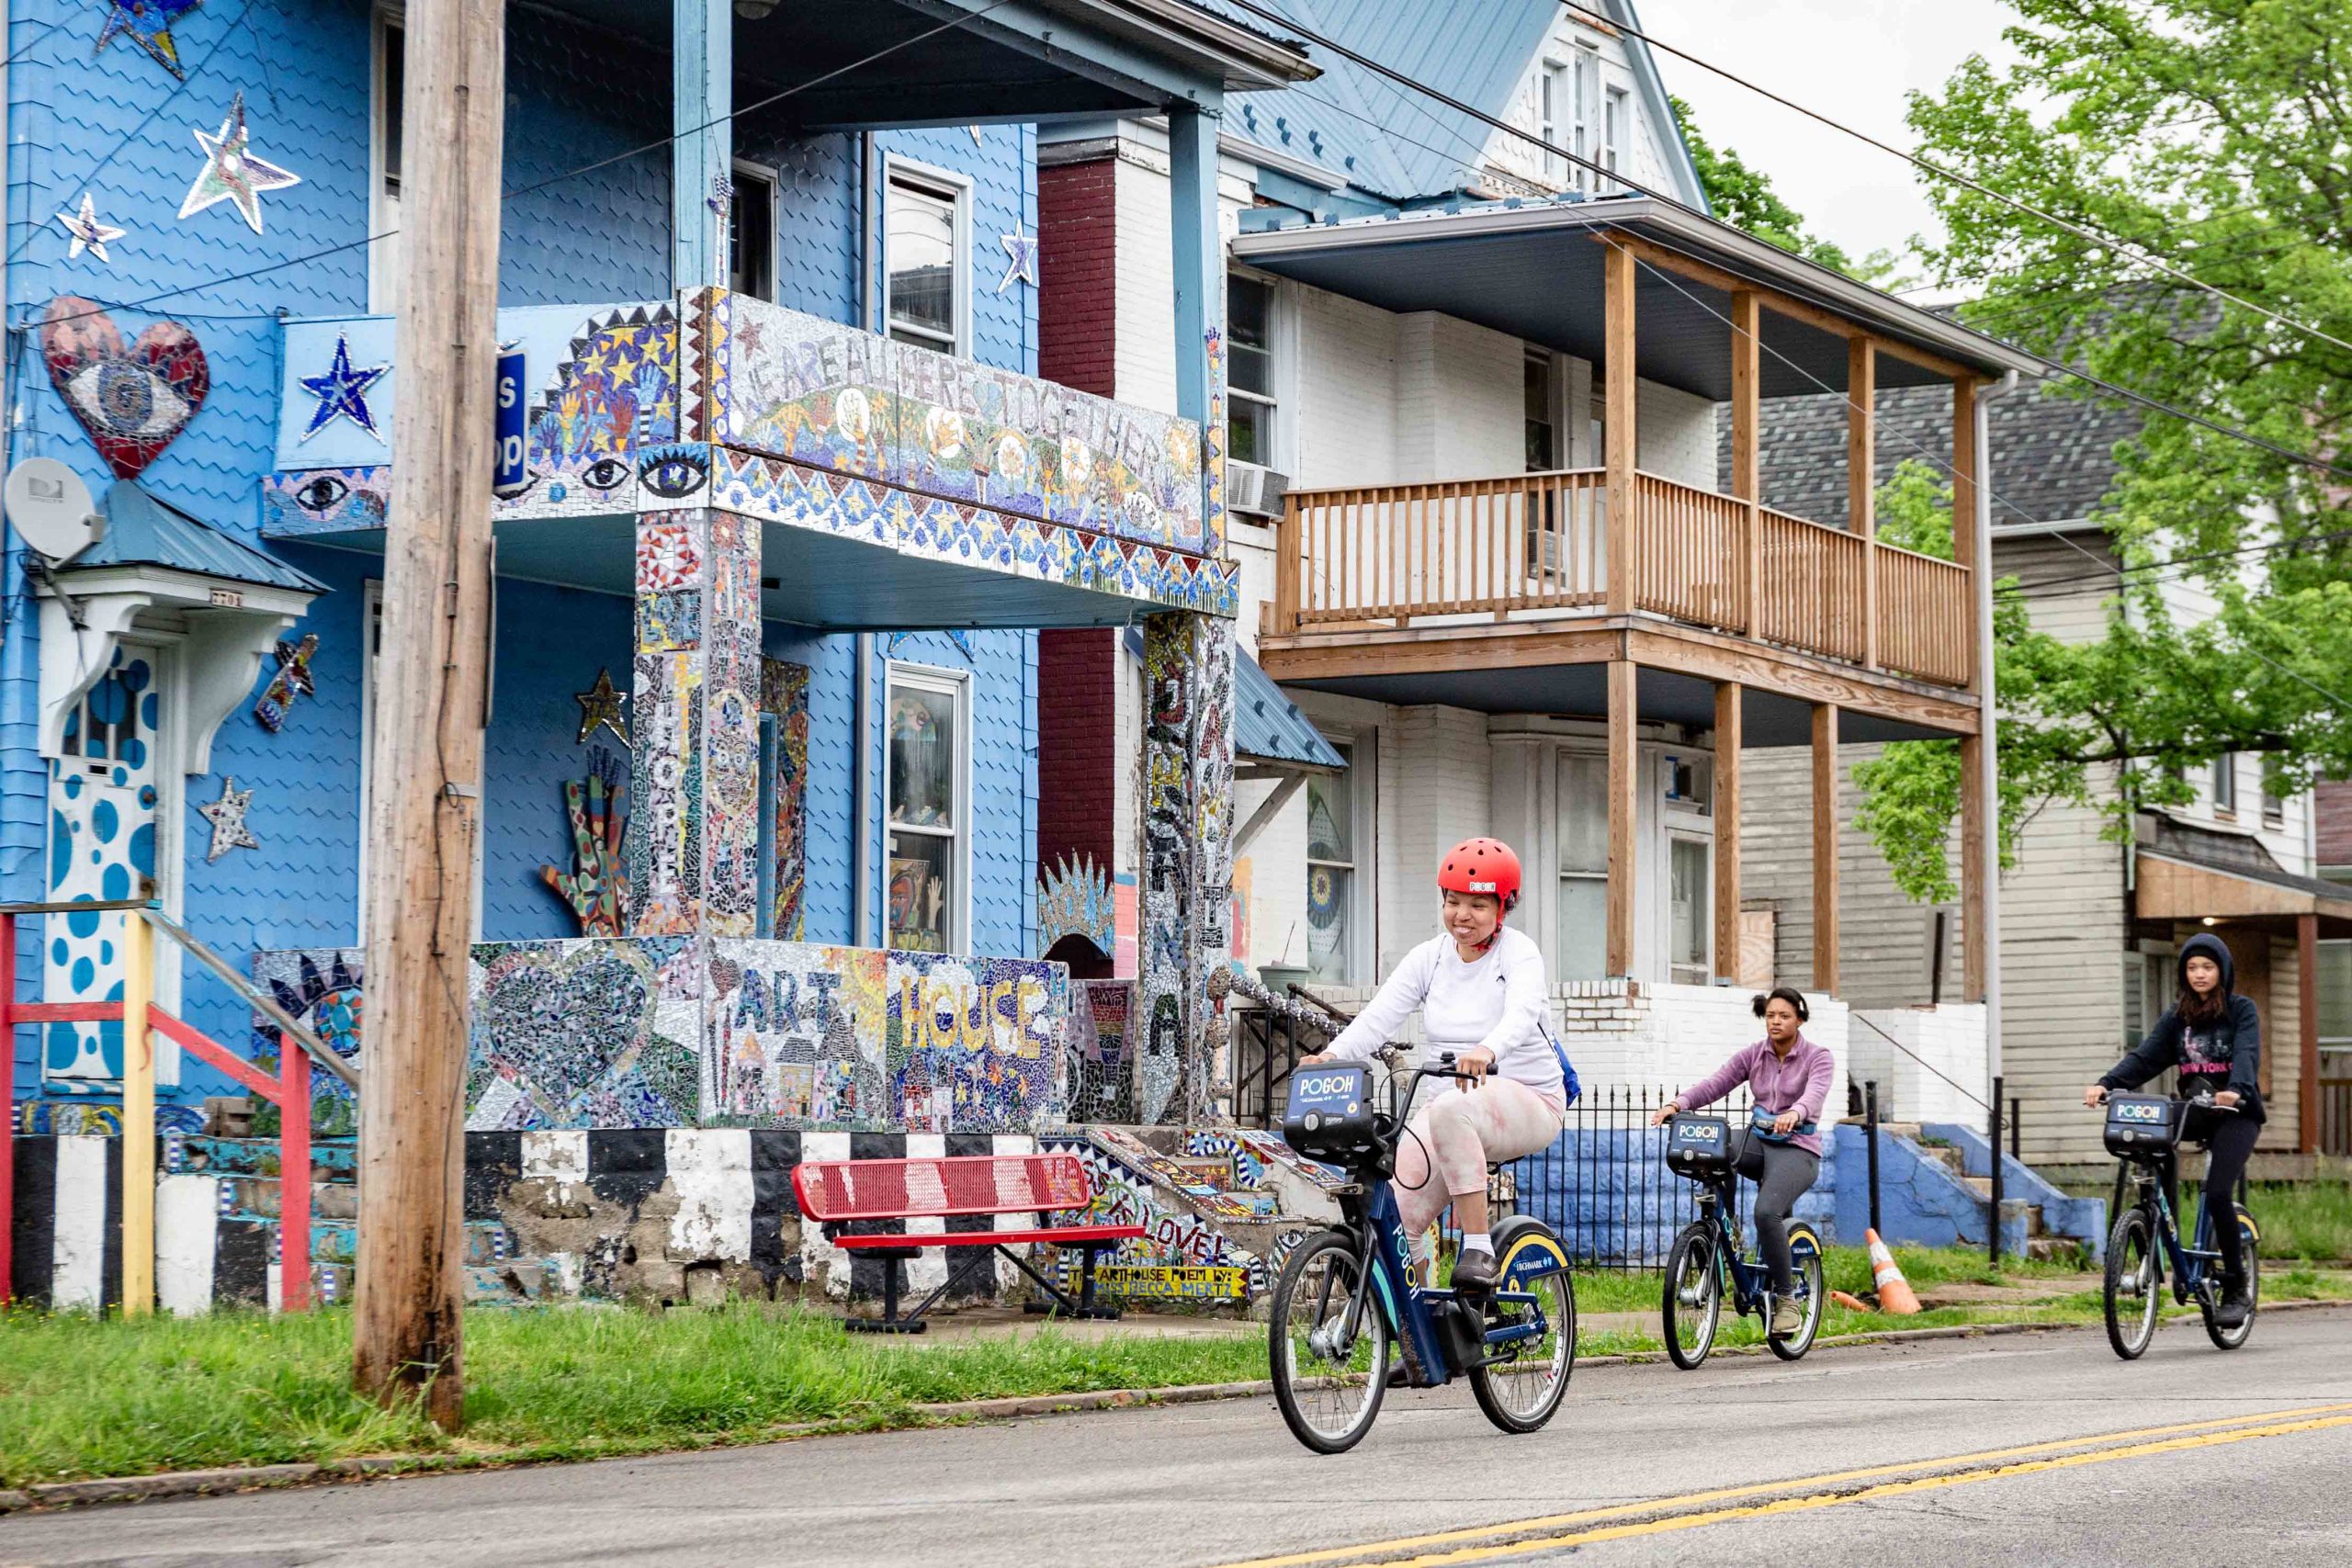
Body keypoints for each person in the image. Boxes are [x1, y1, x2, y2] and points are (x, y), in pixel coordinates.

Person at [1299, 837, 1567, 1293]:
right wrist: (1332, 1056)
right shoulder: (1429, 957)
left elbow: (1522, 1014)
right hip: (1452, 1103)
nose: (1462, 915)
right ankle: (1419, 1341)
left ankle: (1479, 1246)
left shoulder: (1518, 953)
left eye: (1478, 905)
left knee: (1448, 1110)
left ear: (1503, 907)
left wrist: (1488, 1049)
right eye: (1453, 901)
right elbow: (1379, 1017)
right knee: (1397, 1220)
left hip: (1528, 1096)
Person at [2085, 931, 2262, 1329]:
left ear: (2222, 971)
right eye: (2193, 967)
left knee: (2217, 1193)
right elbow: (2147, 1057)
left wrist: (2234, 1090)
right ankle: (2164, 1236)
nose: (2199, 974)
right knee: (2151, 1146)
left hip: (2237, 1113)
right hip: (2195, 1108)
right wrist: (2106, 1084)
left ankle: (2235, 1287)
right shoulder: (2177, 1017)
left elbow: (2247, 1054)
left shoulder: (2241, 1010)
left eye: (2208, 967)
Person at [1650, 987, 1834, 1338]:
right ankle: (1727, 1226)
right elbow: (1717, 1083)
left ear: (1799, 1019)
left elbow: (1815, 1094)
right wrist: (1677, 1104)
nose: (1776, 1022)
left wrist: (1796, 1112)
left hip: (1798, 1149)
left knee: (1767, 1212)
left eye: (1784, 1016)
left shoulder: (1818, 1057)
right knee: (1715, 1150)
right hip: (1759, 1143)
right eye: (1770, 1016)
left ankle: (1786, 1298)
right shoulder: (1754, 1055)